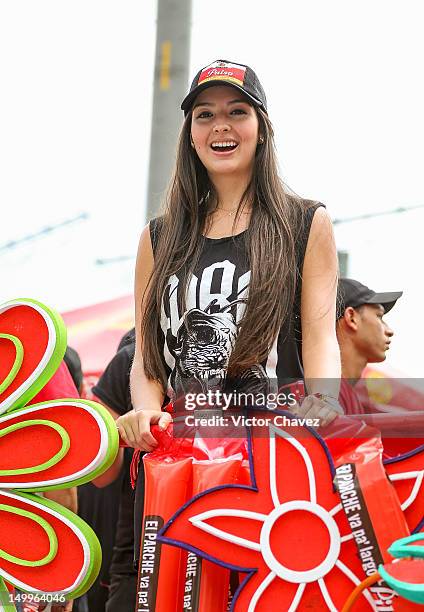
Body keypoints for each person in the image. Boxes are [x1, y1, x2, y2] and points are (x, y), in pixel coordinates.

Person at [115, 59, 342, 560]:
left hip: (268, 455)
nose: (220, 125)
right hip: (176, 459)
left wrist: (325, 399)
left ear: (261, 129)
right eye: (204, 114)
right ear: (190, 135)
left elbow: (322, 336)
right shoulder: (158, 236)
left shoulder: (305, 222)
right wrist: (146, 411)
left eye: (237, 111)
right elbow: (149, 355)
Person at [336, 277, 402, 414]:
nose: (390, 331)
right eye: (379, 317)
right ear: (352, 318)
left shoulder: (342, 395)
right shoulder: (328, 397)